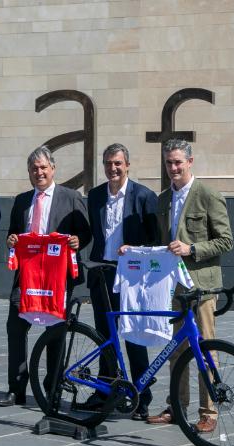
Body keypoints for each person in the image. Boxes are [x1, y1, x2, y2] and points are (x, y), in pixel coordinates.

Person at [146, 139, 233, 433]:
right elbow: (161, 243)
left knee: (205, 349)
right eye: (169, 162)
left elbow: (226, 240)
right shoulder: (162, 200)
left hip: (202, 286)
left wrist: (191, 248)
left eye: (178, 162)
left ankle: (209, 412)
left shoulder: (208, 195)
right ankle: (177, 406)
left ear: (190, 162)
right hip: (174, 287)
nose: (173, 168)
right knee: (176, 349)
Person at [0, 146, 91, 407]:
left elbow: (85, 232)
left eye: (43, 168)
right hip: (26, 276)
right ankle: (16, 388)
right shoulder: (21, 200)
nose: (39, 172)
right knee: (15, 327)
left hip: (57, 277)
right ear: (29, 172)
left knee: (56, 331)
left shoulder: (71, 197)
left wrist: (76, 241)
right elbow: (14, 234)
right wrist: (12, 239)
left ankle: (52, 387)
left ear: (53, 169)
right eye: (34, 169)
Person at [86, 143, 158, 421]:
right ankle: (107, 391)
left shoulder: (143, 196)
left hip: (132, 276)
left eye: (117, 163)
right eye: (108, 163)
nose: (112, 168)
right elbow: (90, 231)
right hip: (102, 274)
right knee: (105, 338)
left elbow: (154, 238)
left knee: (133, 336)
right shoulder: (94, 196)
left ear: (127, 165)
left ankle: (142, 395)